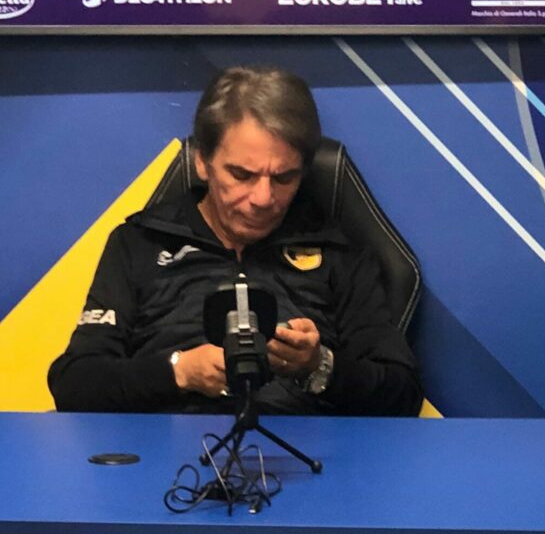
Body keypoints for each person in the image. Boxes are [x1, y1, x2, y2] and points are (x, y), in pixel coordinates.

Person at [48, 65, 422, 415]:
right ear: (202, 161)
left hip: (305, 451)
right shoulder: (139, 244)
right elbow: (74, 384)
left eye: (284, 178)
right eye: (242, 175)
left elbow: (403, 393)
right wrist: (178, 372)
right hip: (165, 453)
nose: (263, 198)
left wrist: (320, 366)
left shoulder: (339, 254)